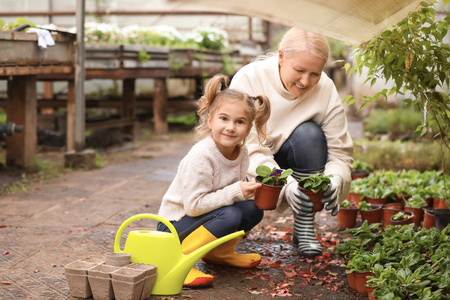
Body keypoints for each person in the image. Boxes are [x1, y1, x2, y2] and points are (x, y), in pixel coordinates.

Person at [230, 27, 354, 258]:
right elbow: (246, 147)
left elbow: (340, 151)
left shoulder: (325, 88)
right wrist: (286, 185)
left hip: (295, 153)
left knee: (310, 134)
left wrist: (336, 177)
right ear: (281, 57)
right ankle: (233, 225)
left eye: (315, 73)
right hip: (246, 162)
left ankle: (304, 225)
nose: (306, 81)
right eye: (299, 70)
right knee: (235, 218)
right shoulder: (249, 78)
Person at [157, 74, 271, 288]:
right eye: (224, 119)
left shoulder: (242, 153)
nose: (230, 127)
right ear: (210, 119)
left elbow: (235, 197)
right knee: (231, 214)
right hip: (173, 228)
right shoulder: (201, 156)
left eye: (240, 122)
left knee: (253, 209)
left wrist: (251, 190)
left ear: (248, 128)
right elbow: (193, 206)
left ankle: (219, 253)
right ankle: (178, 260)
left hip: (205, 218)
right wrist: (236, 192)